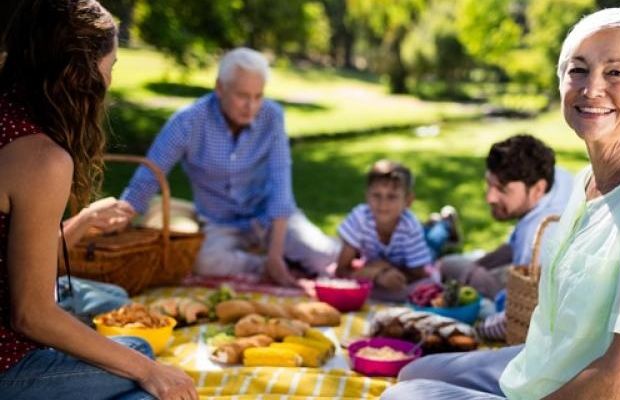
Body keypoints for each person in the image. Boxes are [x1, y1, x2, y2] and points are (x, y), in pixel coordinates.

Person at [382, 7, 620, 400]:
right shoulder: (587, 181)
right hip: (544, 367)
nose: (591, 89)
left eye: (616, 72)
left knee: (403, 396)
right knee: (412, 370)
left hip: (594, 389)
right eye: (578, 70)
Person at [0, 1, 196, 399]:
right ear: (83, 74)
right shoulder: (41, 158)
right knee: (144, 368)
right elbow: (30, 314)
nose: (111, 77)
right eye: (113, 64)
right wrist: (149, 371)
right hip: (8, 362)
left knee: (131, 344)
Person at [119, 47, 340, 287]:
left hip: (266, 216)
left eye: (258, 96)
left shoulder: (272, 116)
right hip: (218, 222)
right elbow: (149, 177)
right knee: (204, 263)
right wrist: (119, 219)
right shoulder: (187, 122)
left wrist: (276, 252)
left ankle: (278, 258)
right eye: (242, 96)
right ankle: (263, 265)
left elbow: (281, 186)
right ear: (219, 88)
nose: (251, 106)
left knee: (325, 257)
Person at [439, 134, 573, 300]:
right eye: (489, 184)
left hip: (534, 300)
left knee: (447, 265)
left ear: (538, 189)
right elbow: (513, 245)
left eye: (502, 189)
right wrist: (476, 265)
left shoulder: (534, 238)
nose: (490, 198)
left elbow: (519, 304)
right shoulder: (558, 177)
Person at [335, 160, 435, 302]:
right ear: (367, 196)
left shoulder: (410, 227)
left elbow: (420, 274)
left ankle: (443, 225)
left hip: (415, 253)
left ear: (408, 201)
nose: (383, 204)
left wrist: (382, 269)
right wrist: (378, 274)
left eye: (392, 196)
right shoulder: (360, 218)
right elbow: (341, 270)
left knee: (434, 245)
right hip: (392, 263)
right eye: (376, 195)